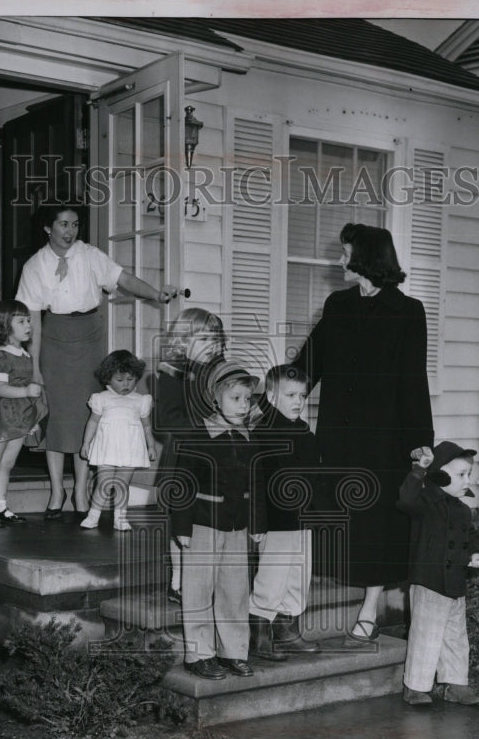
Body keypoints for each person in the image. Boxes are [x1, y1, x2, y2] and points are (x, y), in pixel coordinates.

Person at [292, 223, 434, 643]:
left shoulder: (408, 312)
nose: (340, 260)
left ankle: (370, 608)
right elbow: (308, 363)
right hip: (337, 433)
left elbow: (413, 381)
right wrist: (267, 402)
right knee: (333, 513)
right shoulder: (338, 305)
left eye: (346, 252)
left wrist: (421, 441)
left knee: (375, 522)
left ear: (367, 258)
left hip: (384, 438)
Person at [15, 204, 178, 520]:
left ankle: (79, 490)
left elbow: (124, 278)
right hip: (54, 337)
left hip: (90, 335)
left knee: (86, 412)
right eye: (63, 224)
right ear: (48, 228)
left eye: (74, 224)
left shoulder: (90, 255)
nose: (69, 231)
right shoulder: (34, 266)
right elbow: (32, 318)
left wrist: (156, 295)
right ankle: (56, 491)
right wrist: (35, 366)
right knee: (56, 414)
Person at [172, 361, 266, 680]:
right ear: (216, 398)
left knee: (235, 590)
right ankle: (199, 654)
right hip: (202, 525)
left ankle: (233, 651)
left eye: (247, 399)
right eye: (235, 399)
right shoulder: (199, 436)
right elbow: (183, 484)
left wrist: (257, 524)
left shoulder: (248, 438)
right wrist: (182, 528)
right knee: (198, 589)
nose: (242, 406)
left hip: (237, 526)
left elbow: (256, 486)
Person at [396, 442, 479, 706]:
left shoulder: (462, 510)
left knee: (456, 636)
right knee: (426, 635)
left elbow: (470, 536)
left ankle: (455, 683)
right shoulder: (425, 502)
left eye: (469, 475)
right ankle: (416, 686)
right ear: (441, 475)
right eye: (461, 475)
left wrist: (476, 552)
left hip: (456, 583)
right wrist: (418, 471)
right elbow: (405, 499)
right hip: (429, 582)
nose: (467, 481)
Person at [148, 308, 227, 604]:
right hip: (184, 459)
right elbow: (165, 420)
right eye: (204, 337)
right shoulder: (173, 371)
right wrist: (207, 426)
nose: (212, 344)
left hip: (216, 461)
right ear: (183, 341)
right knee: (182, 523)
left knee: (210, 522)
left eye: (215, 338)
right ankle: (178, 581)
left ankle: (209, 578)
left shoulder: (220, 370)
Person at [248, 364, 322, 660]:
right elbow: (255, 483)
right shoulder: (262, 433)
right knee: (273, 576)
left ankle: (286, 629)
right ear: (270, 395)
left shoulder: (304, 432)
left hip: (301, 519)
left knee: (297, 575)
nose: (297, 401)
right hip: (275, 522)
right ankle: (259, 635)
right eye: (290, 394)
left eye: (302, 395)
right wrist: (257, 523)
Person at [0, 300, 48, 527]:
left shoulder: (25, 355)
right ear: (5, 325)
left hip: (19, 416)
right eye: (21, 321)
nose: (28, 325)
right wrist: (25, 390)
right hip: (1, 416)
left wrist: (30, 419)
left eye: (29, 321)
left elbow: (27, 394)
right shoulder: (1, 356)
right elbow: (0, 389)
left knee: (7, 463)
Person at [79, 350, 157, 532]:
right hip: (107, 448)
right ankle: (93, 516)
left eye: (130, 379)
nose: (126, 384)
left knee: (123, 485)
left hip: (129, 449)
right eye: (120, 380)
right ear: (108, 379)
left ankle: (120, 518)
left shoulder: (140, 401)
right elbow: (92, 422)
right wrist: (86, 443)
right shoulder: (101, 399)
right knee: (103, 484)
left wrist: (151, 445)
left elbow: (146, 426)